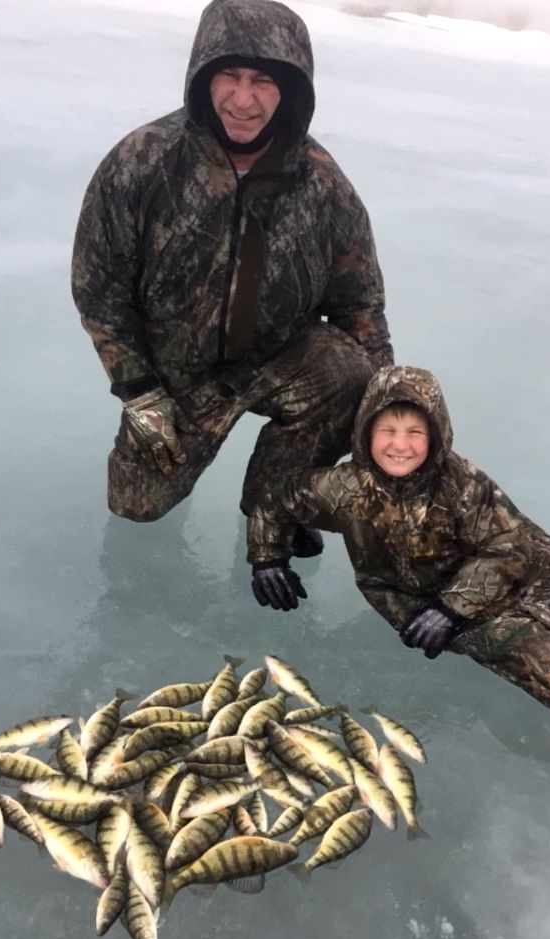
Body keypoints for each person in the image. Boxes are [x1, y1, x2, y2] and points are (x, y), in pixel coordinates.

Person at [248, 365, 550, 803]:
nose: (400, 444)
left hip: (536, 575)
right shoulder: (341, 489)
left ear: (436, 436)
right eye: (386, 430)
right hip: (459, 614)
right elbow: (274, 499)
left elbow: (509, 549)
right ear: (364, 432)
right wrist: (267, 557)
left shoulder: (463, 483)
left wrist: (452, 606)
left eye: (415, 432)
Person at [71, 0, 392, 555]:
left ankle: (275, 502)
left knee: (352, 374)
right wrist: (139, 393)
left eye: (264, 81)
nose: (244, 100)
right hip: (177, 377)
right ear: (202, 76)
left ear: (291, 88)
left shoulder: (323, 185)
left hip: (284, 356)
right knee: (135, 507)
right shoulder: (141, 163)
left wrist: (391, 413)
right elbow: (100, 293)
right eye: (229, 76)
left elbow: (360, 308)